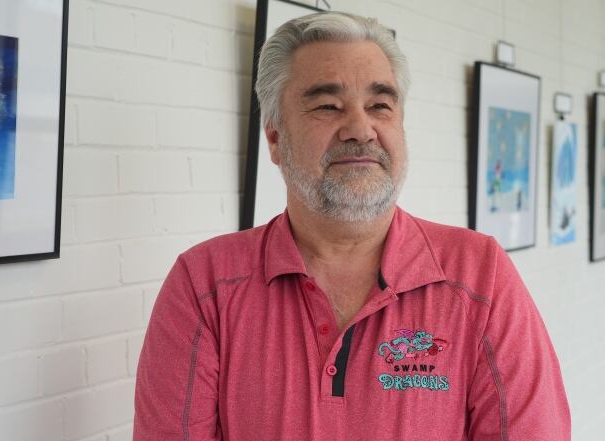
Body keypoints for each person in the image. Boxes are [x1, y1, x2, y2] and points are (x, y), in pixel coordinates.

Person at [133, 11, 570, 441]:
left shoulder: (480, 276)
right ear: (274, 138)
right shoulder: (204, 286)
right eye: (327, 106)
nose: (361, 129)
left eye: (380, 105)